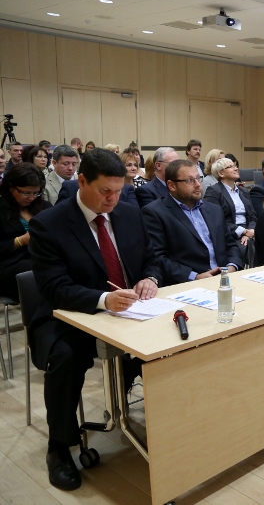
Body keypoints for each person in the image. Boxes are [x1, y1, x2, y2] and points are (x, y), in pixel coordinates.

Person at [28, 148, 161, 491]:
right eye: (105, 191)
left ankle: (169, 424)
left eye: (118, 190)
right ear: (82, 181)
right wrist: (103, 300)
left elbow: (151, 258)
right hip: (69, 317)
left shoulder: (130, 214)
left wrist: (150, 278)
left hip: (131, 312)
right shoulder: (49, 224)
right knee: (65, 358)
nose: (112, 199)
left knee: (176, 341)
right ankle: (59, 446)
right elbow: (55, 288)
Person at [141, 160, 242, 286]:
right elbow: (157, 258)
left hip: (225, 278)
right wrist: (194, 276)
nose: (198, 184)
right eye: (190, 180)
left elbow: (230, 244)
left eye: (198, 178)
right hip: (187, 284)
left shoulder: (214, 209)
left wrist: (232, 266)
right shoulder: (155, 212)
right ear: (171, 185)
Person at [0, 163, 50, 301]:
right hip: (9, 263)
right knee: (44, 268)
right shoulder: (2, 209)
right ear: (11, 187)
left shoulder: (43, 206)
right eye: (25, 193)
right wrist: (21, 240)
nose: (31, 198)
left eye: (36, 193)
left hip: (41, 256)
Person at [203, 158, 257, 261]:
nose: (236, 168)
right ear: (221, 173)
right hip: (230, 233)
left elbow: (253, 216)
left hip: (249, 232)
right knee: (249, 250)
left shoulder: (243, 191)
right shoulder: (214, 191)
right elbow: (215, 220)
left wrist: (250, 232)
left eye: (235, 166)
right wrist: (243, 232)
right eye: (230, 167)